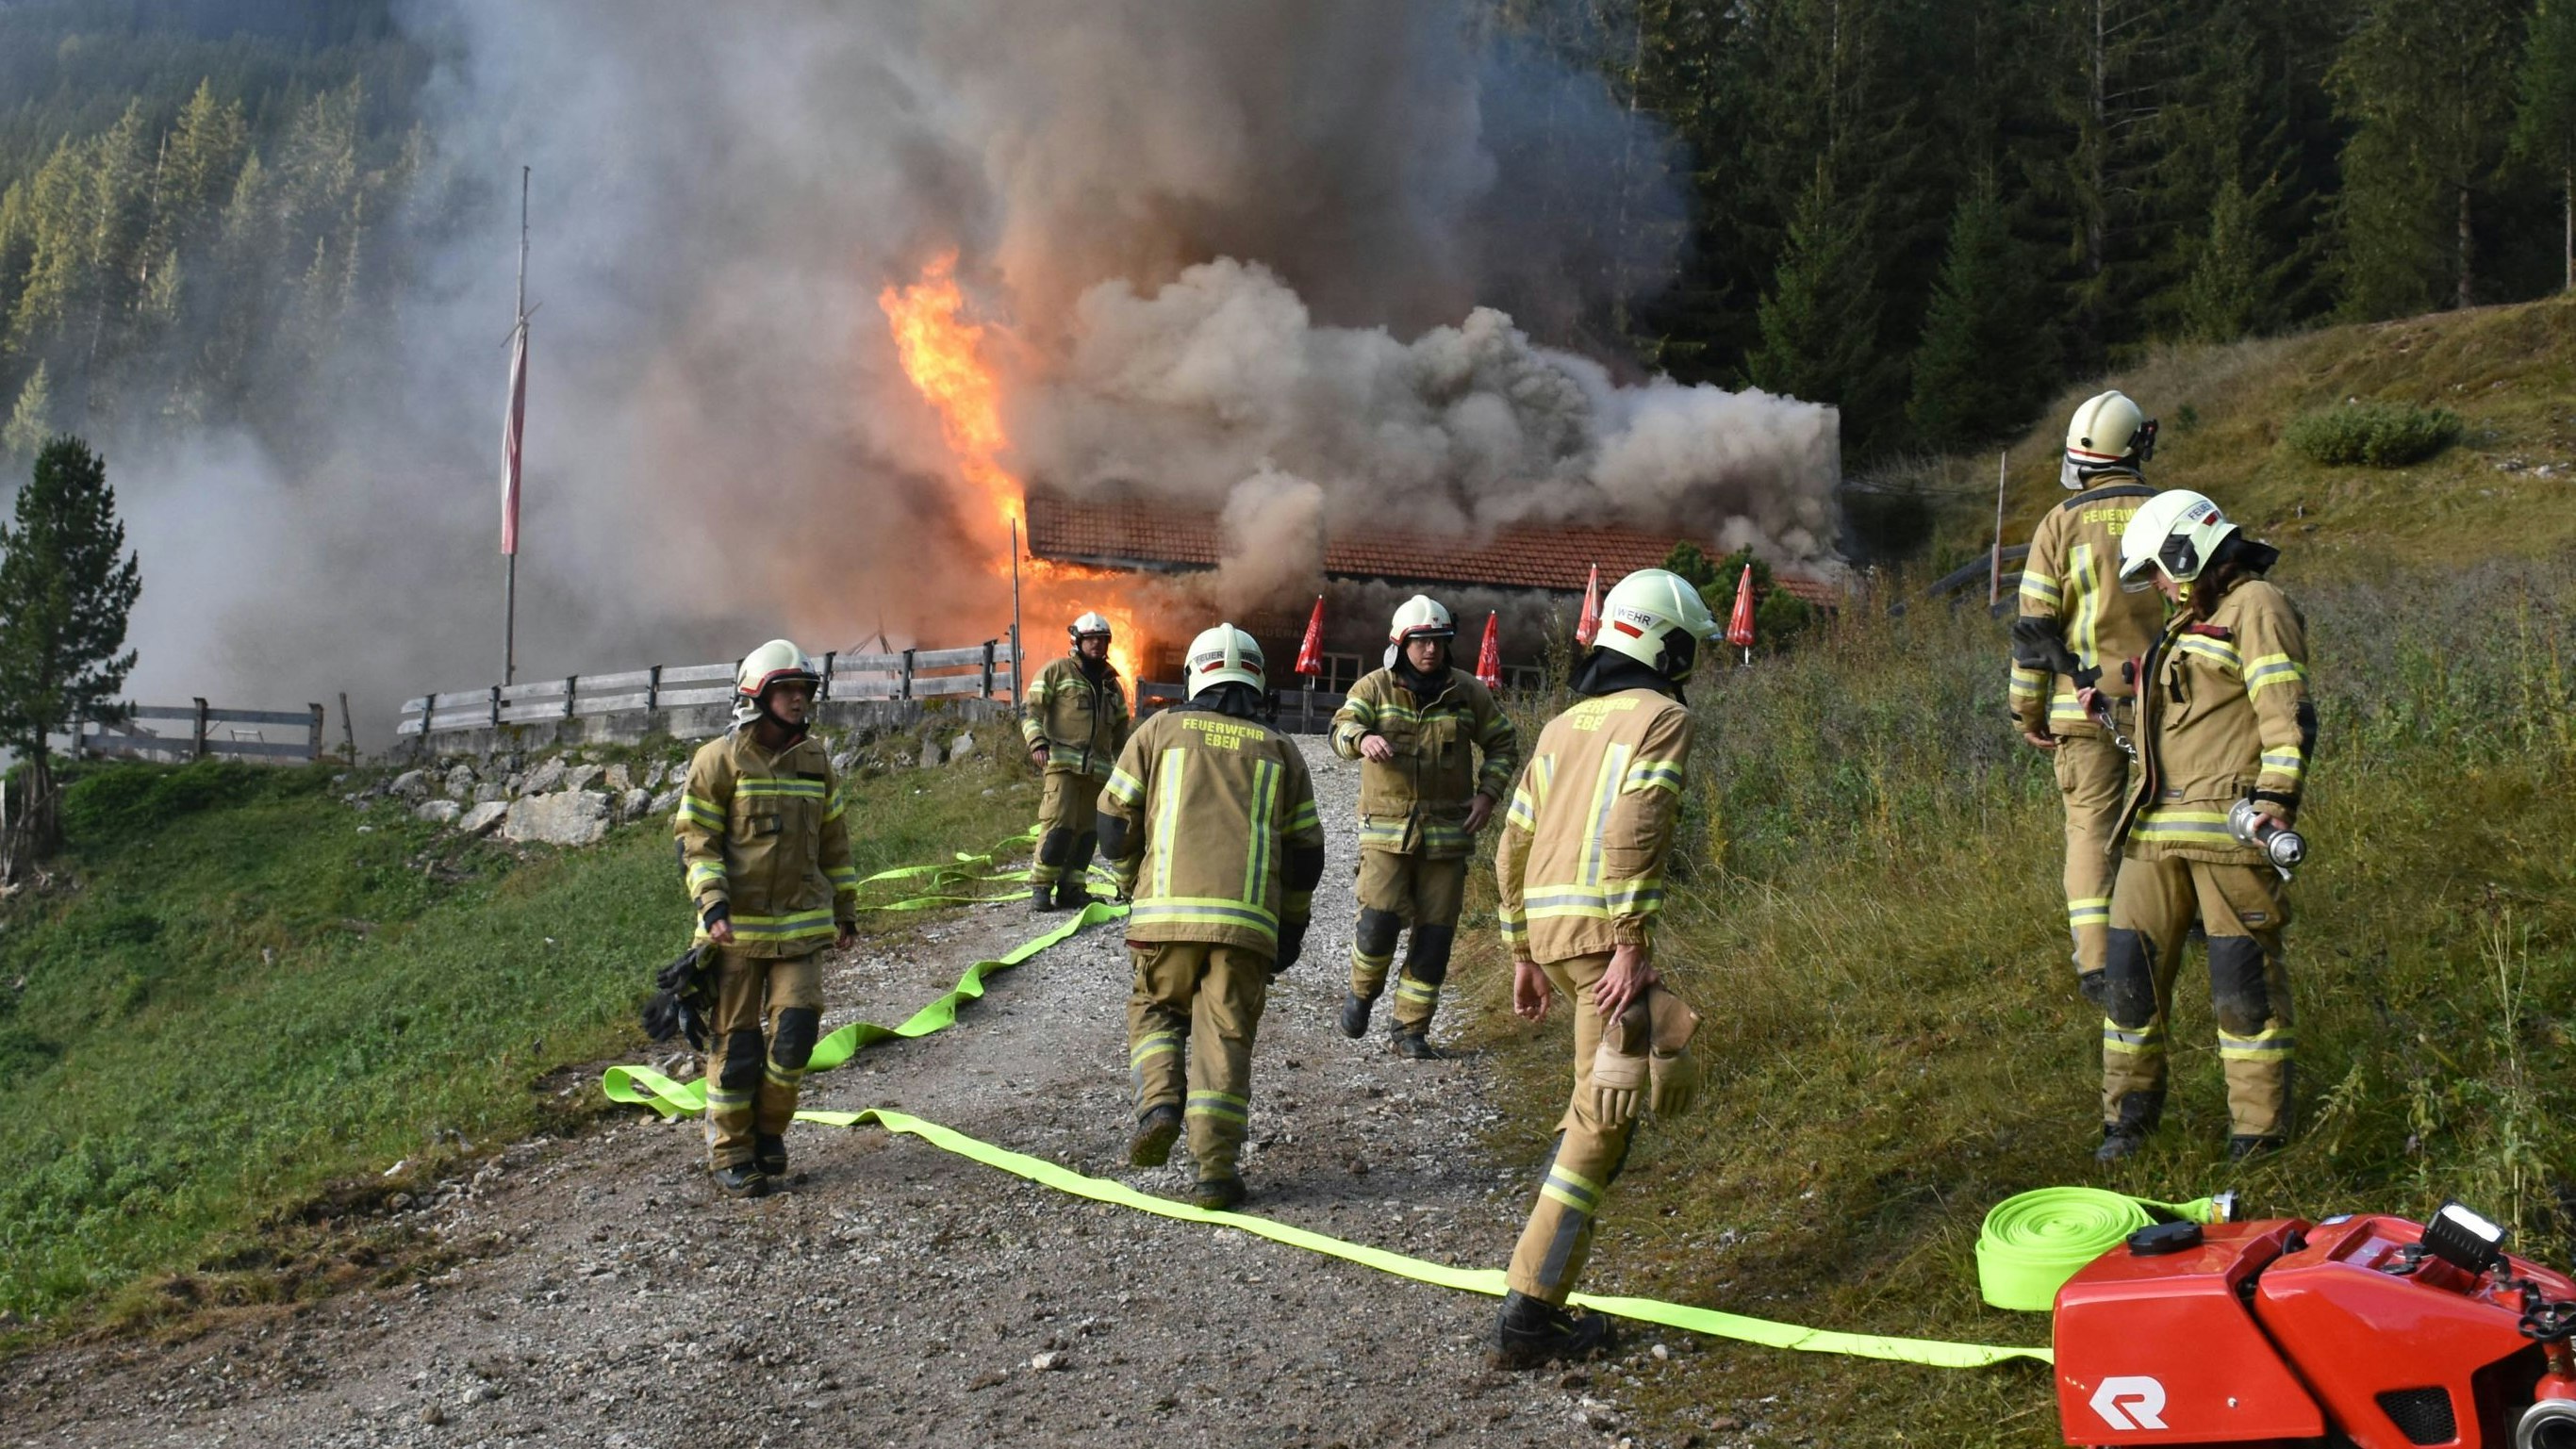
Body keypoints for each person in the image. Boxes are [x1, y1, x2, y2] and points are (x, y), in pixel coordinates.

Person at [1490, 569, 1712, 1367]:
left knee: (1600, 1115)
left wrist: (1522, 951)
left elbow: (1510, 847)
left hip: (1555, 937)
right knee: (1602, 1124)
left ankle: (1537, 1299)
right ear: (1663, 641)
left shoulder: (1562, 725)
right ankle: (1527, 1314)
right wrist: (1631, 940)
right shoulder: (1663, 716)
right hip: (1601, 942)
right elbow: (1636, 825)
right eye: (1689, 647)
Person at [2097, 490, 2312, 1162]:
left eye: (2160, 569)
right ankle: (2127, 1123)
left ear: (2188, 550)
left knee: (2241, 986)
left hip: (2229, 833)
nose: (2158, 585)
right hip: (2155, 834)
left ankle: (2257, 1134)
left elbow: (2286, 712)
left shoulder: (2258, 607)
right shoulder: (2191, 619)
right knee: (2128, 980)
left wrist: (2277, 794)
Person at [1097, 623, 1327, 1210]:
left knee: (1155, 1009)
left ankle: (1160, 1104)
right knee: (1225, 1038)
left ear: (1195, 676)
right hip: (1246, 928)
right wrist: (1292, 927)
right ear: (1256, 681)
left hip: (1163, 923)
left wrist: (1129, 882)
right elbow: (1306, 855)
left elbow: (1114, 825)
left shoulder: (1158, 731)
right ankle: (1216, 1174)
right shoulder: (1281, 749)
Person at [674, 640, 861, 1197]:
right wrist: (713, 903)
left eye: (804, 690)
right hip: (736, 932)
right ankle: (731, 1152)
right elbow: (696, 842)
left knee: (795, 1038)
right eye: (787, 690)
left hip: (800, 930)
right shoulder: (718, 760)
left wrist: (846, 910)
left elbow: (834, 841)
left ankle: (769, 1133)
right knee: (736, 1050)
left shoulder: (815, 760)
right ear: (757, 694)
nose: (799, 699)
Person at [2009, 390, 2169, 1002]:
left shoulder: (2059, 523)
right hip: (2166, 703)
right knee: (2171, 817)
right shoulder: (2167, 509)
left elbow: (2034, 632)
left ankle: (2099, 965)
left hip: (2081, 708)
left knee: (2089, 830)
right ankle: (2187, 925)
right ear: (2133, 446)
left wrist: (2028, 708)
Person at [1329, 595, 1519, 1058]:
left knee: (1434, 938)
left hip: (1447, 839)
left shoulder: (1467, 692)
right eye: (1421, 642)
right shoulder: (1374, 688)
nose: (1431, 650)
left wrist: (1488, 794)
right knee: (1377, 925)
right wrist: (1362, 738)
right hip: (1387, 835)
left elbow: (1503, 744)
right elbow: (1339, 730)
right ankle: (1362, 992)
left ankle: (1410, 1031)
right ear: (1400, 643)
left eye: (1438, 641)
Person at [1021, 611, 1132, 912]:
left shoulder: (1112, 685)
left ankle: (1072, 888)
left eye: (1102, 639)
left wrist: (1128, 767)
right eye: (1091, 639)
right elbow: (1030, 711)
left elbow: (1122, 730)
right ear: (1077, 641)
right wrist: (1037, 742)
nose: (1097, 644)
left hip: (1099, 774)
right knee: (1058, 827)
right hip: (1062, 768)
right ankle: (1041, 889)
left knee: (1087, 834)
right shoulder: (1057, 672)